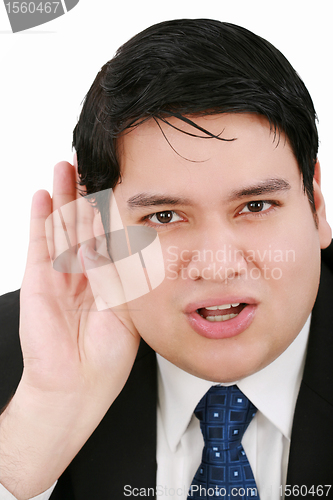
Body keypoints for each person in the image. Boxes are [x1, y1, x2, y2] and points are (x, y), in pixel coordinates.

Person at [0, 18, 332, 500]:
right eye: (165, 215)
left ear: (316, 204)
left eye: (255, 206)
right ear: (102, 228)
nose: (218, 266)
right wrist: (39, 429)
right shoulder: (17, 359)